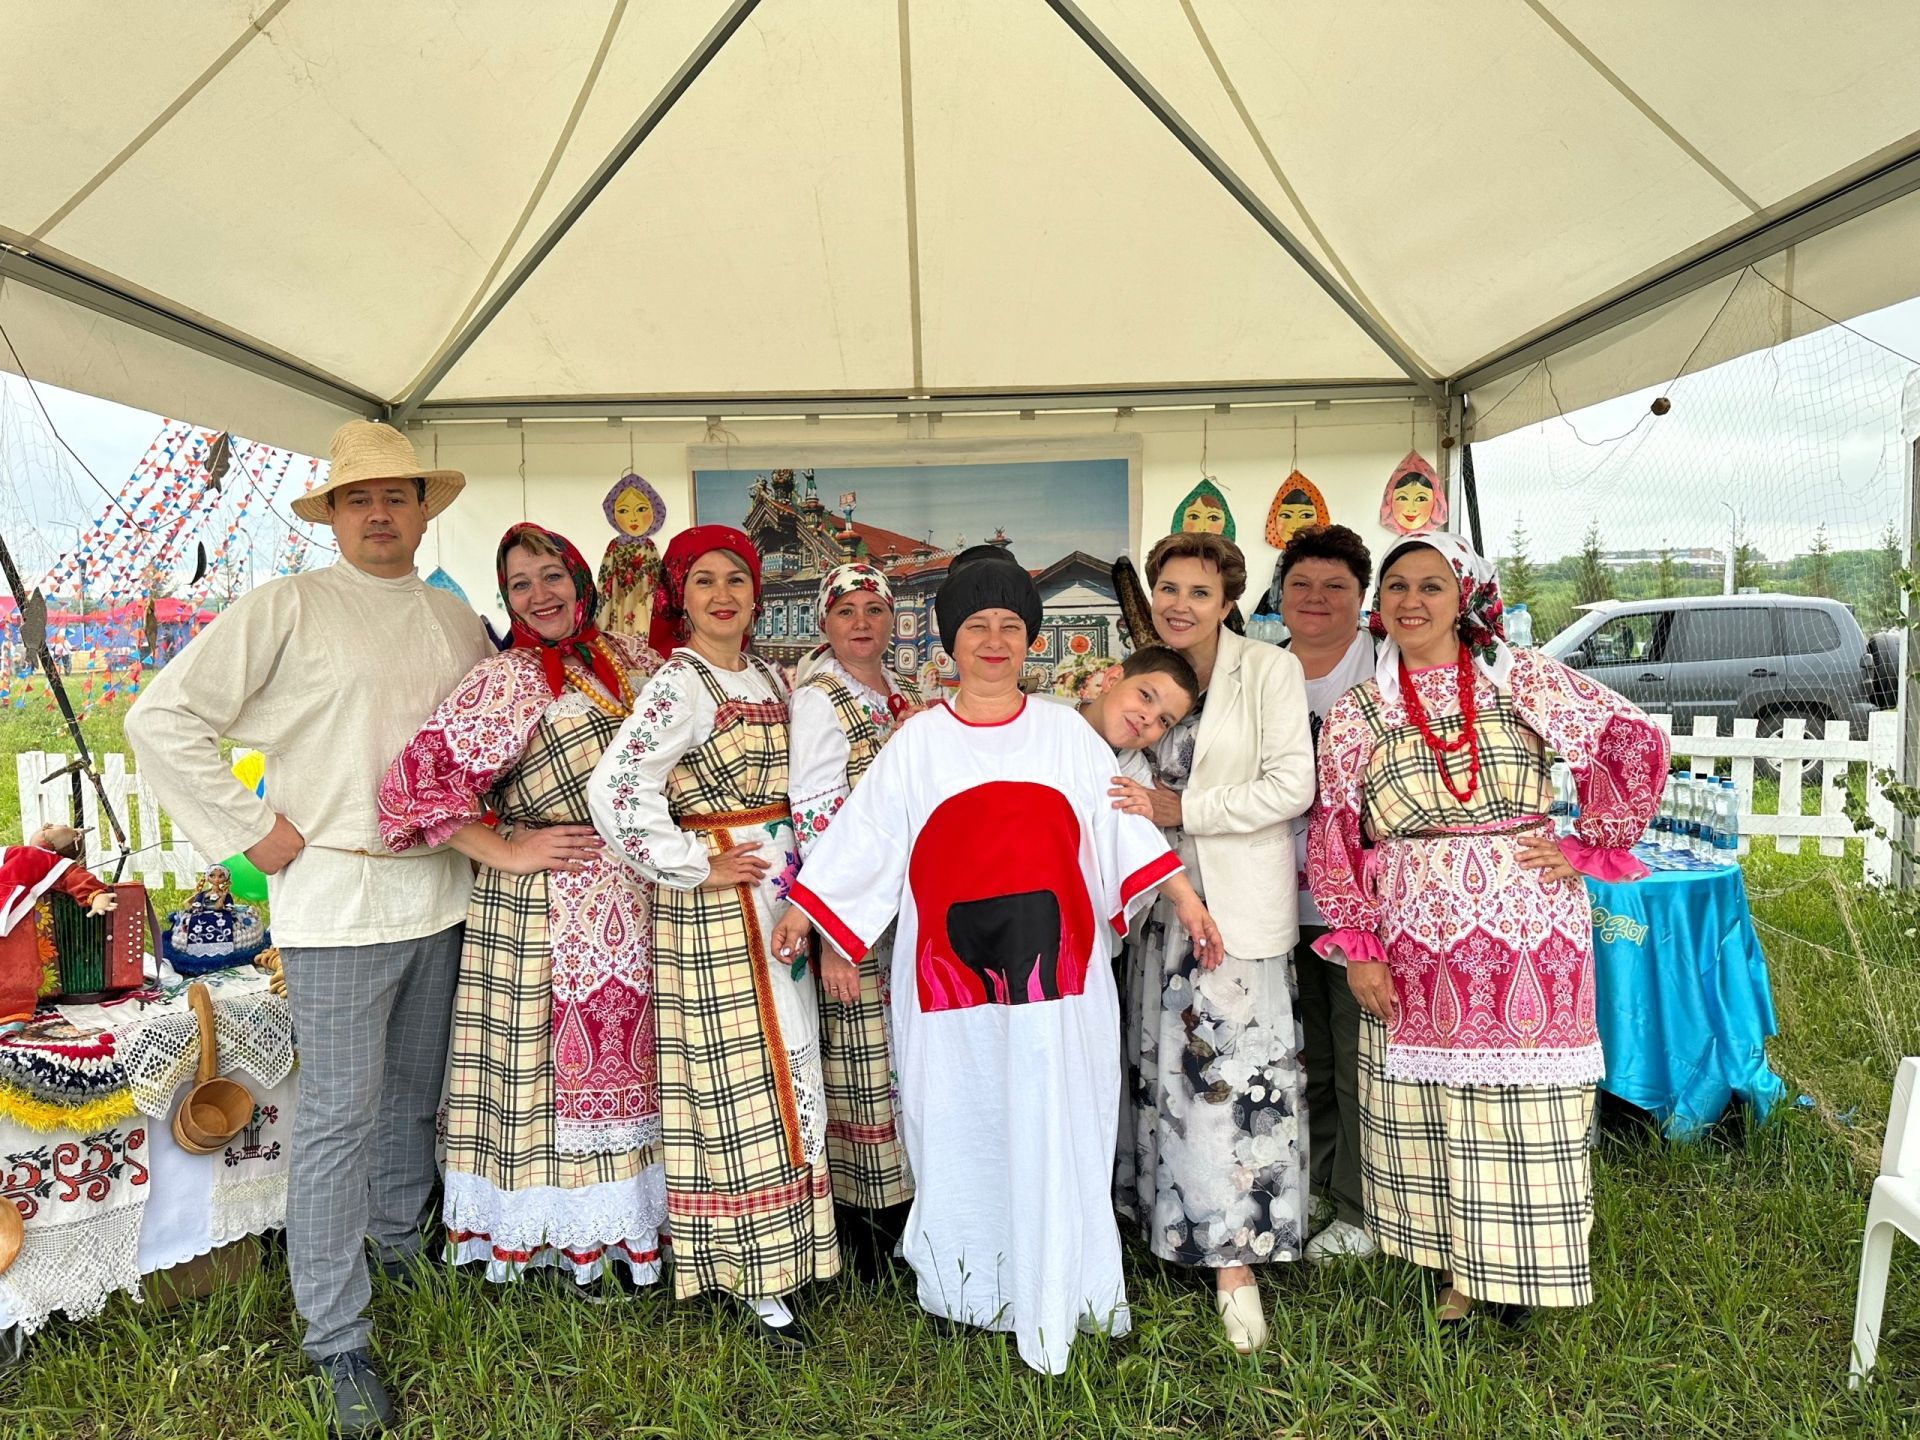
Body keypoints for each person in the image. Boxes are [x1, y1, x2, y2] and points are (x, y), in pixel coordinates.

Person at [771, 545, 1220, 1375]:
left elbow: (1118, 829)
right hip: (951, 992)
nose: (993, 640)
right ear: (949, 640)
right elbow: (866, 842)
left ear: (1029, 639)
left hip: (1060, 991)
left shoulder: (1065, 737)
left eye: (1011, 625)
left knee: (1058, 1120)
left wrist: (1185, 898)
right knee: (959, 1121)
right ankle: (968, 1288)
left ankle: (1071, 1282)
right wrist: (812, 912)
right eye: (976, 624)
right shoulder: (917, 746)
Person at [126, 420, 490, 1433]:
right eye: (359, 498)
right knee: (337, 1120)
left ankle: (399, 1257)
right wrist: (251, 832)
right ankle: (337, 1337)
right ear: (332, 514)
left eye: (397, 496)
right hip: (333, 903)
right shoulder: (286, 606)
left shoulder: (456, 623)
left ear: (424, 508)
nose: (380, 513)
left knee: (415, 1099)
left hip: (443, 894)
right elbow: (160, 719)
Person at [1308, 531, 1667, 1323]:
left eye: (1431, 586)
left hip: (1528, 924)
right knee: (1434, 1104)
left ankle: (1518, 1269)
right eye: (1396, 586)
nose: (1410, 601)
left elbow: (1631, 740)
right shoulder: (1358, 711)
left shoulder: (1521, 678)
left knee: (1523, 1105)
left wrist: (1589, 843)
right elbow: (1335, 831)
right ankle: (1458, 1271)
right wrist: (1360, 945)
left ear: (1465, 596)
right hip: (1414, 926)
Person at [378, 523, 666, 1294]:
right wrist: (509, 848)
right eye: (519, 585)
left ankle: (632, 1232)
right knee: (545, 1073)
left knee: (630, 1062)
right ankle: (557, 1240)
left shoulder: (633, 661)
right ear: (504, 600)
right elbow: (411, 790)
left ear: (581, 577)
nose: (540, 595)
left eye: (550, 575)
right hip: (542, 905)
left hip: (632, 895)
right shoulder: (506, 681)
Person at [586, 525, 835, 1346]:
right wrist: (693, 859)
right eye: (704, 582)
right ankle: (749, 1269)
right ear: (678, 599)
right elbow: (617, 786)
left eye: (736, 578)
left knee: (787, 1056)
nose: (723, 594)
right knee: (739, 1074)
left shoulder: (765, 673)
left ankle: (794, 1250)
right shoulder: (679, 683)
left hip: (777, 886)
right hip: (719, 899)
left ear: (757, 594)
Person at [1110, 530, 1316, 1355]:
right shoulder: (1137, 673)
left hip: (1231, 919)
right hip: (1152, 912)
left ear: (1229, 601)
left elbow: (1290, 786)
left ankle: (1238, 1264)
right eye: (1169, 588)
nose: (1181, 604)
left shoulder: (1268, 669)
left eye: (1199, 592)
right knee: (1163, 1078)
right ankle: (1166, 1229)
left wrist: (1182, 812)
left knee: (1238, 1086)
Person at [786, 561, 922, 1277]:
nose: (862, 622)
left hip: (906, 909)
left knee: (899, 1057)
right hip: (854, 914)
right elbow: (814, 815)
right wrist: (834, 933)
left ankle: (909, 1209)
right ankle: (865, 1228)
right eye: (847, 612)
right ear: (824, 624)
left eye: (874, 609)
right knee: (859, 1061)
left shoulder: (900, 694)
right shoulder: (820, 699)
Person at [1268, 525, 1380, 1264]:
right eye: (1301, 584)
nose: (1315, 599)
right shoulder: (1258, 672)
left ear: (1362, 598)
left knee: (1357, 1048)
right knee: (1301, 1052)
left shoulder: (1387, 673)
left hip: (1365, 906)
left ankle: (1360, 1207)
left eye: (1334, 586)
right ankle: (1314, 1177)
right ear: (1278, 596)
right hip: (1277, 897)